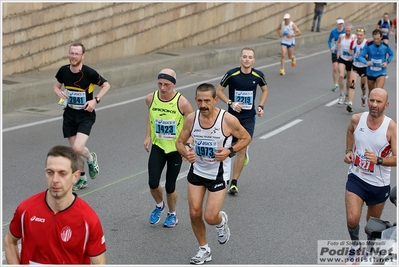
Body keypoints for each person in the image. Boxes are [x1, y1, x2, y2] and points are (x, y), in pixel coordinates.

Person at [176, 83, 251, 265]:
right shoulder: (191, 119)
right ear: (195, 100)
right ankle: (204, 249)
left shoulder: (227, 120)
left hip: (218, 174)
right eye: (200, 101)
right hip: (197, 171)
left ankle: (221, 220)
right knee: (194, 213)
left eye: (207, 101)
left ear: (215, 100)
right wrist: (186, 151)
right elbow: (179, 142)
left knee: (210, 217)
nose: (203, 105)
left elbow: (246, 137)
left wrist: (229, 152)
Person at [4, 145, 107, 264]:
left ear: (75, 176)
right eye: (50, 172)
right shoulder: (26, 210)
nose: (55, 180)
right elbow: (9, 241)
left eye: (62, 173)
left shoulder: (88, 220)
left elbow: (99, 263)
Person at [344, 88, 396, 262]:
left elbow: (397, 158)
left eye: (378, 102)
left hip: (378, 184)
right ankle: (355, 245)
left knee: (371, 225)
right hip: (357, 177)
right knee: (352, 219)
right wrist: (349, 151)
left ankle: (369, 249)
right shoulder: (357, 119)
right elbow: (350, 131)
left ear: (386, 105)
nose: (374, 104)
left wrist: (379, 160)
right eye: (372, 100)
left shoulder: (391, 127)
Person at [53, 42, 111, 191]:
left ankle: (91, 158)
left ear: (82, 56)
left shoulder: (89, 73)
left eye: (76, 54)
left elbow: (106, 85)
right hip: (69, 114)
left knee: (78, 148)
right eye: (71, 53)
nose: (73, 56)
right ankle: (82, 179)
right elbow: (56, 85)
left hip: (85, 114)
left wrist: (95, 100)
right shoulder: (63, 71)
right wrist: (58, 92)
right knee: (75, 150)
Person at [143, 68, 194, 227]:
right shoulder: (150, 98)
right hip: (158, 147)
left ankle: (172, 214)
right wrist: (147, 136)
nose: (163, 88)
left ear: (173, 84)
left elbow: (192, 124)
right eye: (160, 84)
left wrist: (188, 145)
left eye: (167, 85)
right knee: (152, 183)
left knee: (170, 186)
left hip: (175, 150)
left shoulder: (182, 103)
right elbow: (151, 117)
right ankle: (159, 205)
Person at [216, 47, 268, 194]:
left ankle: (234, 182)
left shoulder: (258, 75)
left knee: (241, 148)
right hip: (232, 118)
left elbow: (265, 90)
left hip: (248, 118)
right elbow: (219, 91)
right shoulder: (232, 74)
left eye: (250, 57)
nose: (247, 60)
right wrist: (230, 102)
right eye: (244, 57)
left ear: (253, 60)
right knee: (229, 146)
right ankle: (238, 152)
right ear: (240, 58)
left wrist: (261, 106)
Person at [346, 28, 369, 113]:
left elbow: (370, 53)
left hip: (364, 67)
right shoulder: (353, 42)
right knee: (352, 85)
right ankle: (350, 104)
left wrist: (366, 56)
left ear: (364, 36)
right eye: (358, 35)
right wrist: (351, 56)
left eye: (361, 35)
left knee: (363, 86)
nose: (359, 37)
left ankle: (363, 96)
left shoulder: (367, 43)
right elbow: (350, 50)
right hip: (355, 66)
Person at [336, 23, 356, 105]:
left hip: (351, 60)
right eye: (346, 30)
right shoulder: (341, 36)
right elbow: (338, 43)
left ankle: (348, 95)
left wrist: (353, 56)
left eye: (349, 30)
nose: (347, 32)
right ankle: (341, 94)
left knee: (349, 80)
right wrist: (338, 51)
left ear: (351, 30)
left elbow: (356, 47)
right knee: (341, 75)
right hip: (342, 58)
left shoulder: (354, 37)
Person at [328, 18, 345, 91]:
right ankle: (335, 84)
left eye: (341, 24)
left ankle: (344, 72)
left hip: (343, 52)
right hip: (335, 51)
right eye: (339, 24)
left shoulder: (345, 31)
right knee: (335, 68)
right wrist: (331, 47)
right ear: (336, 24)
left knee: (341, 70)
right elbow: (329, 41)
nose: (340, 25)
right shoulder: (333, 32)